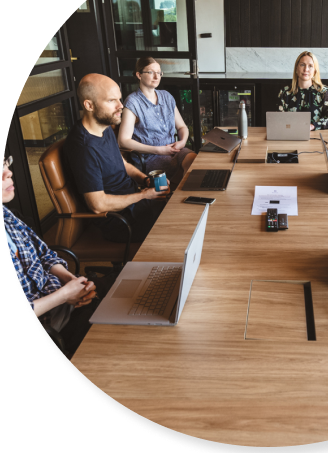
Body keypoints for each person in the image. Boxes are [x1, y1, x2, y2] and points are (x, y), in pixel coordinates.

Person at [2, 153, 97, 355]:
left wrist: (69, 279)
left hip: (58, 302)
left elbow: (44, 254)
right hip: (46, 327)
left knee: (117, 298)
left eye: (5, 164)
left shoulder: (9, 215)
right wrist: (64, 295)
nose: (8, 173)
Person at [64, 73, 170, 244]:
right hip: (119, 221)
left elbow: (122, 163)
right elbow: (97, 204)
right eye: (111, 101)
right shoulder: (83, 148)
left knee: (185, 208)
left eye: (119, 99)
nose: (121, 106)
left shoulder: (104, 127)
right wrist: (143, 196)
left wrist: (145, 179)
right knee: (179, 228)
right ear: (89, 105)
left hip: (134, 205)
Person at [118, 57, 192, 187]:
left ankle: (179, 195)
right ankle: (173, 198)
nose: (156, 76)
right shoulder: (133, 102)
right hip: (151, 157)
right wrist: (159, 150)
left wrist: (182, 142)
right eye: (151, 72)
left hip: (174, 151)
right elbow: (123, 141)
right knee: (181, 173)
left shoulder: (166, 96)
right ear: (139, 75)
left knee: (194, 161)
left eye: (159, 72)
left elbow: (182, 127)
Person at [278, 51, 328, 130]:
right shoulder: (285, 92)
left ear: (315, 71)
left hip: (316, 138)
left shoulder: (324, 92)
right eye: (302, 65)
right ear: (296, 68)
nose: (306, 69)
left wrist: (312, 126)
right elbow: (278, 120)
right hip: (290, 137)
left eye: (310, 66)